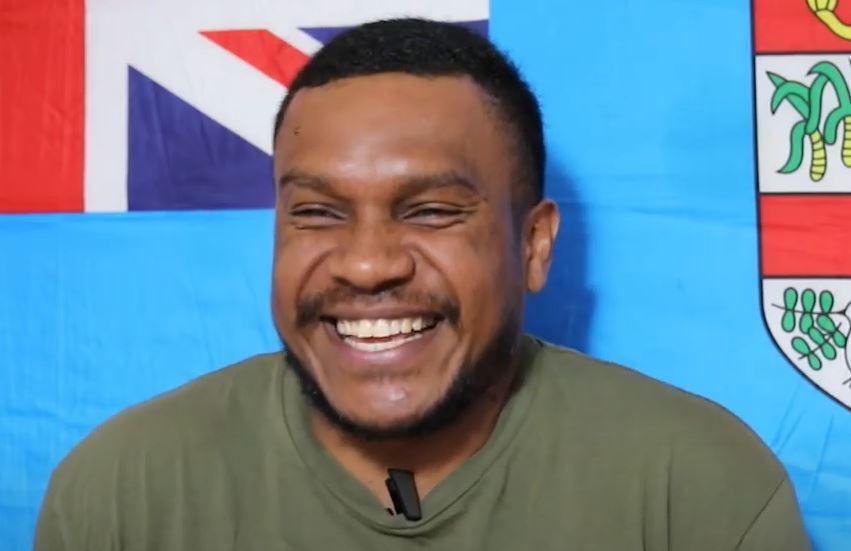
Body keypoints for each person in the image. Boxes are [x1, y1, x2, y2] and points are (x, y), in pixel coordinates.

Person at [35, 18, 811, 550]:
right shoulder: (121, 497)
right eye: (316, 212)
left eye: (432, 211)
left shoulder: (695, 488)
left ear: (533, 243)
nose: (367, 264)